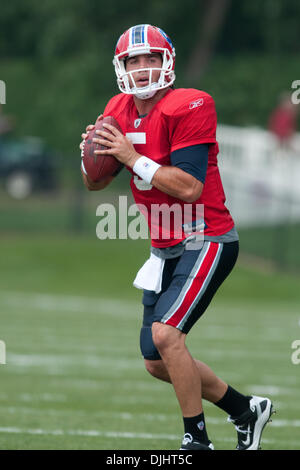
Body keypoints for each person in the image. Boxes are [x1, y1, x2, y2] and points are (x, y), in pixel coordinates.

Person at [80, 24, 274, 450]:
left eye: (152, 58)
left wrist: (132, 157)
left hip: (207, 236)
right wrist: (91, 159)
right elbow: (95, 184)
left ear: (167, 61)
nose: (144, 68)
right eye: (135, 60)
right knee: (155, 359)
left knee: (168, 336)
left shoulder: (191, 104)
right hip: (164, 247)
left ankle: (196, 442)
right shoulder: (117, 108)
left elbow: (189, 187)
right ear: (122, 67)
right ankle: (247, 411)